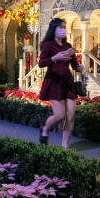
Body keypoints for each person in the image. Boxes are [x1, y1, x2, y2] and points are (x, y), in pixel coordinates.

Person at [38, 18, 80, 148]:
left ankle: (64, 145)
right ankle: (45, 128)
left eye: (64, 27)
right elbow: (41, 63)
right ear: (53, 29)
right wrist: (54, 58)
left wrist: (79, 67)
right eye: (60, 28)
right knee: (60, 115)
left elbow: (74, 65)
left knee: (71, 115)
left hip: (67, 82)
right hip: (54, 81)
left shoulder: (68, 46)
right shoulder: (48, 44)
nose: (63, 30)